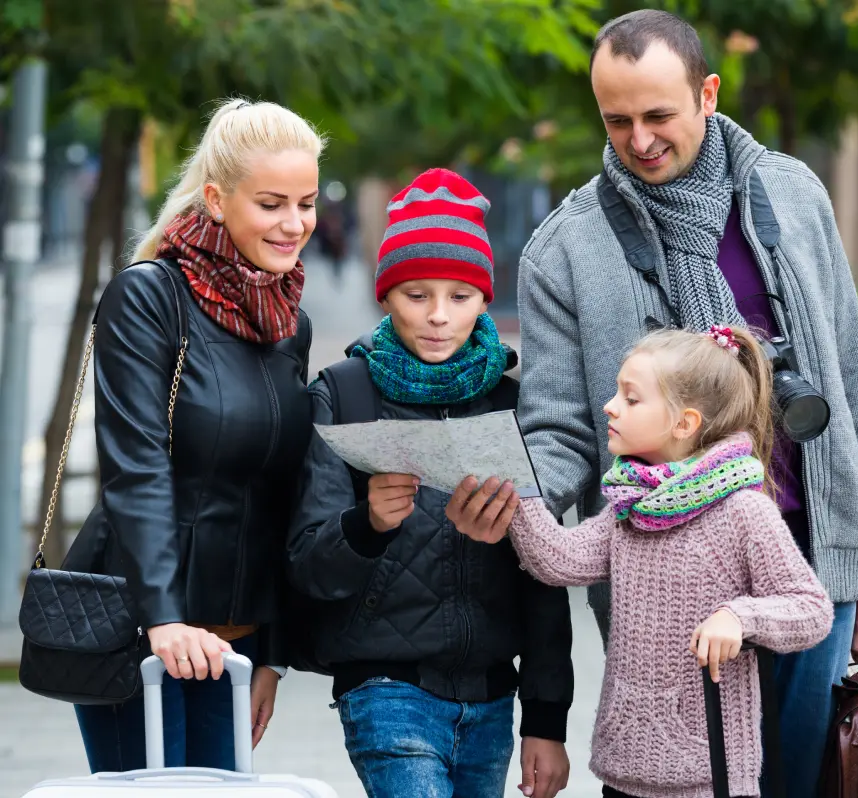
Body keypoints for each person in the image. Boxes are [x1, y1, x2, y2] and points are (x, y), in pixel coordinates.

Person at [450, 10, 858, 796]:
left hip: (808, 557)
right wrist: (513, 493)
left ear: (708, 93)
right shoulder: (567, 247)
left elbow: (850, 391)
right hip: (663, 595)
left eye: (659, 115)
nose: (640, 139)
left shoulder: (793, 196)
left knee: (797, 781)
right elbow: (560, 428)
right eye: (616, 120)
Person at [286, 168, 574, 798]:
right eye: (417, 295)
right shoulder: (344, 393)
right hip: (385, 690)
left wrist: (546, 720)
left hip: (493, 696)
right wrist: (367, 526)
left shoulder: (514, 402)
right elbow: (306, 565)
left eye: (461, 296)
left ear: (484, 298)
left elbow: (545, 578)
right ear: (386, 296)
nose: (440, 317)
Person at [458, 325, 834, 797]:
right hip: (627, 768)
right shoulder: (630, 506)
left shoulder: (743, 510)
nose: (610, 406)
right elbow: (559, 560)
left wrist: (740, 616)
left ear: (684, 423)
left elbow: (811, 610)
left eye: (631, 399)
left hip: (709, 774)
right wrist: (516, 486)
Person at [65, 98, 323, 771]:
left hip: (231, 641)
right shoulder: (149, 297)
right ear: (216, 198)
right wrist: (164, 618)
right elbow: (135, 467)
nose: (293, 223)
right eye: (271, 203)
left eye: (306, 202)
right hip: (141, 629)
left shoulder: (288, 321)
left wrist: (271, 653)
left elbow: (277, 496)